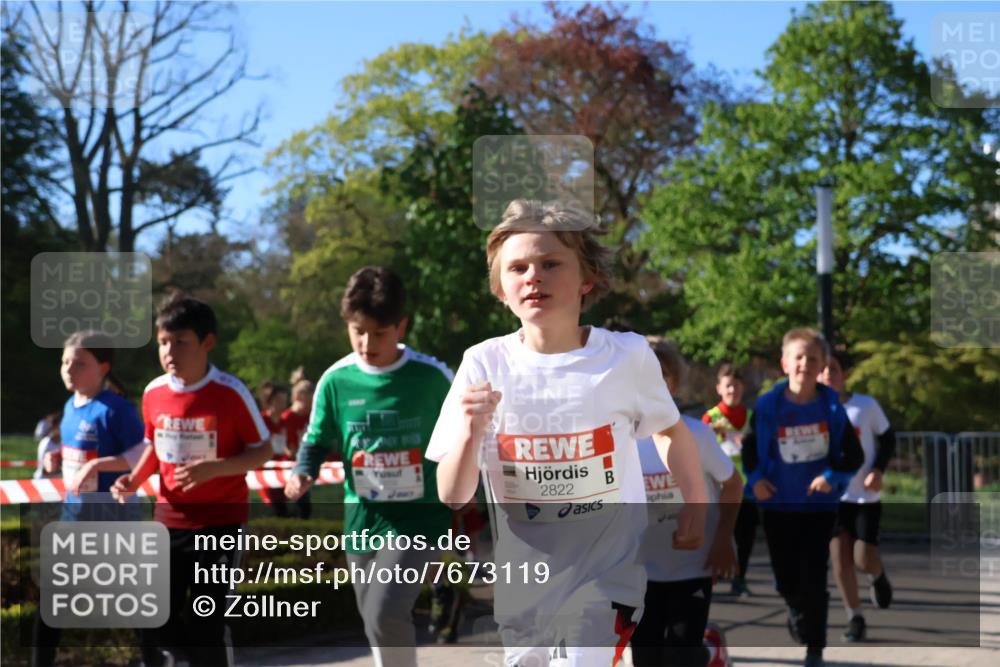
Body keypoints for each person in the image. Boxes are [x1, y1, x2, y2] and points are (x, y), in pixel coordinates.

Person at [428, 199, 707, 667]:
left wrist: (696, 507)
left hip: (607, 575)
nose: (533, 276)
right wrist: (472, 431)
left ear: (587, 278)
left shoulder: (626, 356)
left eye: (550, 263)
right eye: (517, 267)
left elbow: (670, 432)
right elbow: (452, 495)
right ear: (501, 288)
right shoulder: (483, 363)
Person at [284, 266, 454, 667]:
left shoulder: (433, 378)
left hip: (420, 519)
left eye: (379, 333)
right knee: (374, 620)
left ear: (401, 326)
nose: (366, 343)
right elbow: (317, 437)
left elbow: (466, 437)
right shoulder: (335, 380)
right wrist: (301, 472)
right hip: (362, 518)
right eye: (357, 331)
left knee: (384, 610)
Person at [111, 294, 273, 667]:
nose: (169, 351)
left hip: (220, 524)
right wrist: (134, 480)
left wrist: (214, 468)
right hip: (168, 521)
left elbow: (262, 451)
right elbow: (154, 445)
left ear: (207, 343)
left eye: (180, 341)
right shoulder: (154, 392)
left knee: (205, 624)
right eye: (164, 342)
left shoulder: (230, 392)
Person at [33, 331, 156, 667]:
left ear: (103, 367)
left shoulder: (116, 409)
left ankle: (157, 659)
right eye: (65, 362)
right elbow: (78, 454)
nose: (69, 370)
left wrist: (101, 464)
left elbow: (144, 454)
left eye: (79, 363)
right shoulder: (70, 407)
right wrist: (55, 459)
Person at [742, 328, 863, 667]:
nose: (804, 365)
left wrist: (831, 477)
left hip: (817, 507)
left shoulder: (831, 406)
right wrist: (756, 480)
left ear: (822, 365)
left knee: (813, 575)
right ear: (784, 363)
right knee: (786, 577)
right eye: (798, 357)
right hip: (778, 503)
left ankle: (815, 647)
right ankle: (794, 605)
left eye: (812, 359)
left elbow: (852, 456)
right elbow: (750, 450)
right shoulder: (767, 405)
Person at [632, 338, 742, 667]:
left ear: (674, 383)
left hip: (693, 566)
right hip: (639, 571)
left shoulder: (696, 434)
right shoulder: (618, 440)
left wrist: (723, 540)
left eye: (660, 373)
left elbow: (733, 485)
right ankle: (707, 652)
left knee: (680, 655)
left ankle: (704, 651)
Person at [819, 350, 895, 642]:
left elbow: (888, 438)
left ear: (844, 374)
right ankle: (855, 617)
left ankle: (877, 575)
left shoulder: (865, 406)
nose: (828, 374)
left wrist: (878, 469)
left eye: (834, 369)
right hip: (832, 497)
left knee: (863, 558)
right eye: (823, 370)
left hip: (864, 495)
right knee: (840, 561)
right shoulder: (814, 410)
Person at [702, 363, 757, 597]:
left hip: (748, 489)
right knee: (717, 533)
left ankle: (739, 577)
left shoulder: (753, 419)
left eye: (736, 385)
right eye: (728, 386)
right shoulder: (710, 418)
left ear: (742, 388)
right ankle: (711, 576)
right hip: (718, 489)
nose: (732, 390)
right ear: (719, 389)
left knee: (745, 536)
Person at [280, 374, 314, 518]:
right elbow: (285, 445)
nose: (311, 406)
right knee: (300, 506)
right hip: (289, 466)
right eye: (308, 401)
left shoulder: (312, 417)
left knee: (304, 507)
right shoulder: (287, 418)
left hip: (307, 465)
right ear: (297, 398)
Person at [260, 381, 292, 516]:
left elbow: (285, 445)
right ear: (268, 401)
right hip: (264, 472)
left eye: (285, 401)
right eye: (279, 401)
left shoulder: (284, 422)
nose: (283, 405)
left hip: (281, 470)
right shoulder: (261, 421)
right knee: (275, 509)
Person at [34, 411, 62, 480]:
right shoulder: (45, 443)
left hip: (59, 480)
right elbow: (43, 468)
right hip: (44, 480)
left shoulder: (64, 442)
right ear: (54, 427)